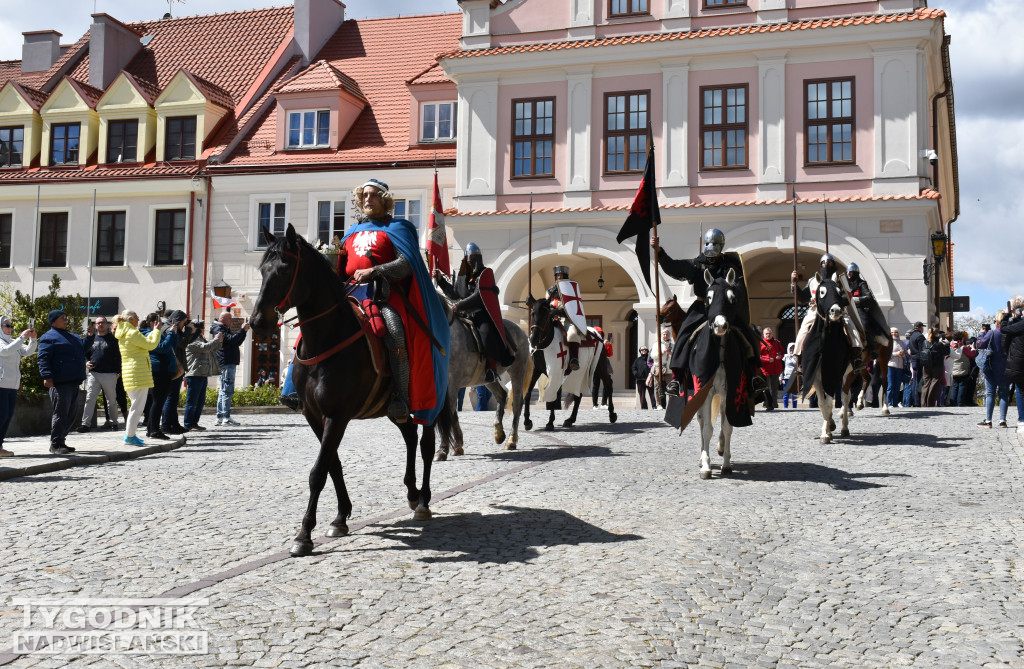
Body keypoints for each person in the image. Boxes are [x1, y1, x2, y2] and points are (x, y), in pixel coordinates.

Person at [340, 179, 448, 425]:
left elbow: (406, 264)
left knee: (395, 332)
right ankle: (295, 385)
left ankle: (399, 398)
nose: (368, 199)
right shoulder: (350, 233)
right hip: (349, 293)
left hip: (383, 295)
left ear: (385, 199)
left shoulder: (398, 227)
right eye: (364, 195)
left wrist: (375, 271)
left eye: (374, 195)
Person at [652, 229, 764, 399]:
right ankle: (676, 379)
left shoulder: (730, 266)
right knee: (683, 335)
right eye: (708, 246)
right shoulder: (698, 264)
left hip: (724, 308)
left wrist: (734, 300)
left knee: (747, 333)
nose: (711, 252)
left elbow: (739, 289)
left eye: (714, 246)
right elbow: (675, 268)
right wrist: (660, 253)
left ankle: (754, 375)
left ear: (721, 246)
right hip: (702, 306)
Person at [435, 242, 515, 383]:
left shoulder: (485, 274)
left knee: (485, 332)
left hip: (480, 312)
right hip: (463, 313)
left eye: (472, 257)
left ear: (477, 258)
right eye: (467, 257)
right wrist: (441, 281)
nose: (469, 260)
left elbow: (479, 296)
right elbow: (454, 293)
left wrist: (459, 305)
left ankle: (491, 368)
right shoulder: (462, 276)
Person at [791, 254, 864, 373]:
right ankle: (801, 360)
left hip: (836, 310)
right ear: (821, 265)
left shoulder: (839, 280)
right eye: (824, 263)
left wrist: (839, 301)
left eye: (830, 262)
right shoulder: (813, 280)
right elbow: (802, 298)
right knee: (803, 330)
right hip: (816, 311)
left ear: (833, 265)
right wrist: (794, 284)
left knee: (851, 327)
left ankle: (856, 357)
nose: (827, 265)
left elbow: (847, 296)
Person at [36, 310, 87, 455]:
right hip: (60, 383)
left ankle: (61, 440)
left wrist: (89, 337)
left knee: (71, 414)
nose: (66, 320)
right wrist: (46, 375)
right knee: (61, 414)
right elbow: (43, 358)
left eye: (66, 317)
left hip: (74, 381)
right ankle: (56, 444)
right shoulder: (49, 337)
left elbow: (82, 348)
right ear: (53, 321)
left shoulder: (72, 336)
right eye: (62, 318)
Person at [113, 310, 162, 446]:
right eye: (136, 317)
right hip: (138, 373)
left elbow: (145, 343)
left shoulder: (124, 332)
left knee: (136, 406)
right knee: (137, 407)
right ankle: (130, 436)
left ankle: (131, 435)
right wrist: (157, 331)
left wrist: (154, 332)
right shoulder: (132, 333)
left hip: (133, 373)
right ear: (130, 320)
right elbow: (150, 345)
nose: (139, 318)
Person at [530, 266, 584, 373]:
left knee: (572, 334)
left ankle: (574, 359)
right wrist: (532, 302)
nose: (559, 277)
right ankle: (533, 355)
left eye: (561, 275)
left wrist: (560, 311)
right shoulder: (550, 290)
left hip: (567, 318)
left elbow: (574, 306)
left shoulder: (570, 290)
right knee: (538, 329)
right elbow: (544, 304)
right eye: (557, 275)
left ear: (565, 276)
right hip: (551, 317)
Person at [0, 316, 37, 457]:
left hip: (12, 385)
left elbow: (28, 351)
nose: (10, 328)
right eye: (6, 325)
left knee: (7, 416)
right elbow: (5, 351)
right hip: (1, 384)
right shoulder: (2, 342)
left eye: (10, 325)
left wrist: (33, 339)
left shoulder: (12, 341)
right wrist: (21, 338)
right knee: (2, 416)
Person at [141, 313, 181, 441]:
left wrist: (174, 334)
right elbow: (163, 348)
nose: (163, 326)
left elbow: (171, 347)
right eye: (162, 324)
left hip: (164, 369)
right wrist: (170, 334)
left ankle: (151, 429)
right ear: (153, 323)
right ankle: (154, 430)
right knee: (157, 401)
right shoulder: (149, 334)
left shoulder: (158, 334)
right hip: (159, 370)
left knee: (158, 401)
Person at [79, 316, 121, 431]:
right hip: (94, 373)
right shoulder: (91, 338)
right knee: (90, 399)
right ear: (95, 325)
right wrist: (86, 362)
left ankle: (114, 423)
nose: (100, 325)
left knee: (111, 400)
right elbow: (83, 353)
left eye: (102, 322)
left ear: (107, 324)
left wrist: (118, 372)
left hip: (110, 374)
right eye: (98, 323)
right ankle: (85, 424)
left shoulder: (113, 339)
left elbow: (119, 356)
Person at [209, 311, 250, 427]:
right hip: (226, 362)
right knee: (227, 390)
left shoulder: (223, 328)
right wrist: (242, 330)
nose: (231, 321)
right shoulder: (219, 329)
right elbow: (231, 340)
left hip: (228, 362)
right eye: (230, 319)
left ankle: (221, 417)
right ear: (223, 319)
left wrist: (244, 331)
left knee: (224, 390)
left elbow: (236, 342)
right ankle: (225, 417)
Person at [184, 320, 223, 432]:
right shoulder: (191, 339)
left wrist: (219, 341)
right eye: (199, 327)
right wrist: (215, 339)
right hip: (194, 373)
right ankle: (188, 424)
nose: (202, 329)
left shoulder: (200, 338)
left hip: (202, 373)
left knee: (200, 401)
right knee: (192, 401)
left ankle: (194, 422)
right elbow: (205, 348)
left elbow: (212, 349)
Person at [976, 314, 1010, 428]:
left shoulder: (992, 333)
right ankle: (1002, 421)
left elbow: (980, 345)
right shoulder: (1010, 333)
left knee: (990, 394)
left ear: (997, 322)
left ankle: (989, 421)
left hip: (991, 367)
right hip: (1006, 367)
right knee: (1004, 394)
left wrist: (981, 334)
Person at [161, 310, 189, 434]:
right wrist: (189, 331)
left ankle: (173, 423)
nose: (185, 325)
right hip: (171, 367)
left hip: (173, 366)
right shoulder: (168, 329)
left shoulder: (169, 327)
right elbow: (181, 344)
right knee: (170, 397)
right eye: (184, 322)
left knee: (173, 397)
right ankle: (167, 425)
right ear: (178, 321)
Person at [999, 296, 1024, 433]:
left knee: (1020, 390)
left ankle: (1022, 420)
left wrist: (1007, 317)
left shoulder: (1014, 324)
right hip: (1018, 362)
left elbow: (1004, 338)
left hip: (1017, 363)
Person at [918, 328, 949, 408]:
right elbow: (947, 352)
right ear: (937, 334)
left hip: (926, 365)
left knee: (926, 383)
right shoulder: (939, 344)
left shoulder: (925, 342)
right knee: (935, 383)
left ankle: (923, 403)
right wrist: (947, 344)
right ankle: (930, 402)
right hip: (937, 366)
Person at [948, 332, 977, 407]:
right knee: (962, 386)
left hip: (953, 369)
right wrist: (973, 348)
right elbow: (972, 355)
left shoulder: (951, 345)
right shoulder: (963, 348)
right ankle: (960, 402)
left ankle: (953, 402)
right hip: (962, 369)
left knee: (955, 386)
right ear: (961, 339)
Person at [759, 327, 783, 410]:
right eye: (766, 334)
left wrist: (780, 356)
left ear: (772, 334)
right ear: (764, 334)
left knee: (775, 388)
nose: (768, 335)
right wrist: (768, 359)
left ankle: (774, 403)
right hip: (765, 370)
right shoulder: (761, 343)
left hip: (776, 369)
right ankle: (768, 403)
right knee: (767, 388)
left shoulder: (777, 342)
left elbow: (782, 352)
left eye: (769, 333)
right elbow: (758, 356)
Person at [887, 327, 908, 408]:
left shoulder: (901, 343)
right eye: (892, 332)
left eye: (895, 332)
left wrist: (903, 355)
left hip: (900, 367)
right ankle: (889, 403)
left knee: (897, 386)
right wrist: (896, 354)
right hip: (891, 365)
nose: (894, 334)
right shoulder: (889, 342)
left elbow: (906, 355)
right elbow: (887, 354)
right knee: (891, 385)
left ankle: (895, 402)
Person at [632, 345, 655, 409]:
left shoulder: (650, 359)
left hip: (650, 379)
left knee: (652, 394)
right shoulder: (637, 360)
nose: (644, 351)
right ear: (640, 351)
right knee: (642, 395)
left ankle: (654, 406)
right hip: (640, 380)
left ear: (647, 351)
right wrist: (637, 374)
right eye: (642, 350)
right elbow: (633, 368)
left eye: (645, 349)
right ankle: (644, 408)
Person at [781, 342, 798, 408]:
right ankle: (785, 407)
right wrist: (781, 376)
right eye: (790, 348)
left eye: (793, 348)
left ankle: (795, 407)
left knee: (794, 394)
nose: (792, 350)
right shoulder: (785, 357)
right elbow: (781, 367)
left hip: (794, 377)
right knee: (786, 393)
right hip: (787, 377)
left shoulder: (797, 357)